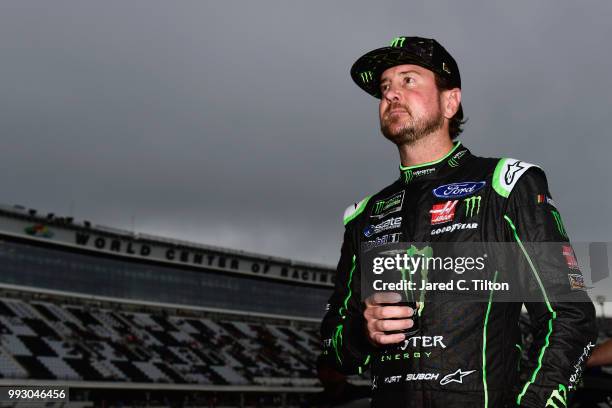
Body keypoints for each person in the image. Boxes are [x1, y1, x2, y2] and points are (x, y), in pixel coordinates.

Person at [320, 36, 598, 407]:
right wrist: (362, 332)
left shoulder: (506, 184)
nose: (391, 94)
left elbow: (570, 317)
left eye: (408, 80)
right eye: (385, 86)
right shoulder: (365, 213)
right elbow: (333, 349)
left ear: (450, 101)